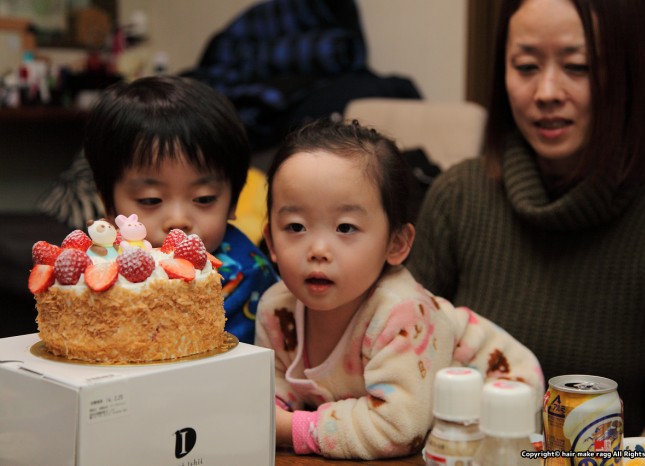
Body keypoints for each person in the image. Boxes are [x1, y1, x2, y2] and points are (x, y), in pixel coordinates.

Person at [408, 0, 645, 438]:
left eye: (578, 67)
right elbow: (405, 361)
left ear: (631, 73)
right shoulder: (459, 197)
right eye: (526, 66)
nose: (546, 92)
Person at [255, 119, 543, 459]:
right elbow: (271, 398)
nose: (318, 250)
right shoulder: (277, 309)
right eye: (295, 227)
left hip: (503, 406)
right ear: (271, 241)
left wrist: (290, 428)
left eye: (345, 227)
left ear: (396, 243)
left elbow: (398, 427)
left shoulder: (400, 312)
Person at [83, 75, 278, 344]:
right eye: (150, 200)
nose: (178, 220)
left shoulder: (245, 276)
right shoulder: (99, 263)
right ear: (108, 202)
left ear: (233, 202)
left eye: (204, 198)